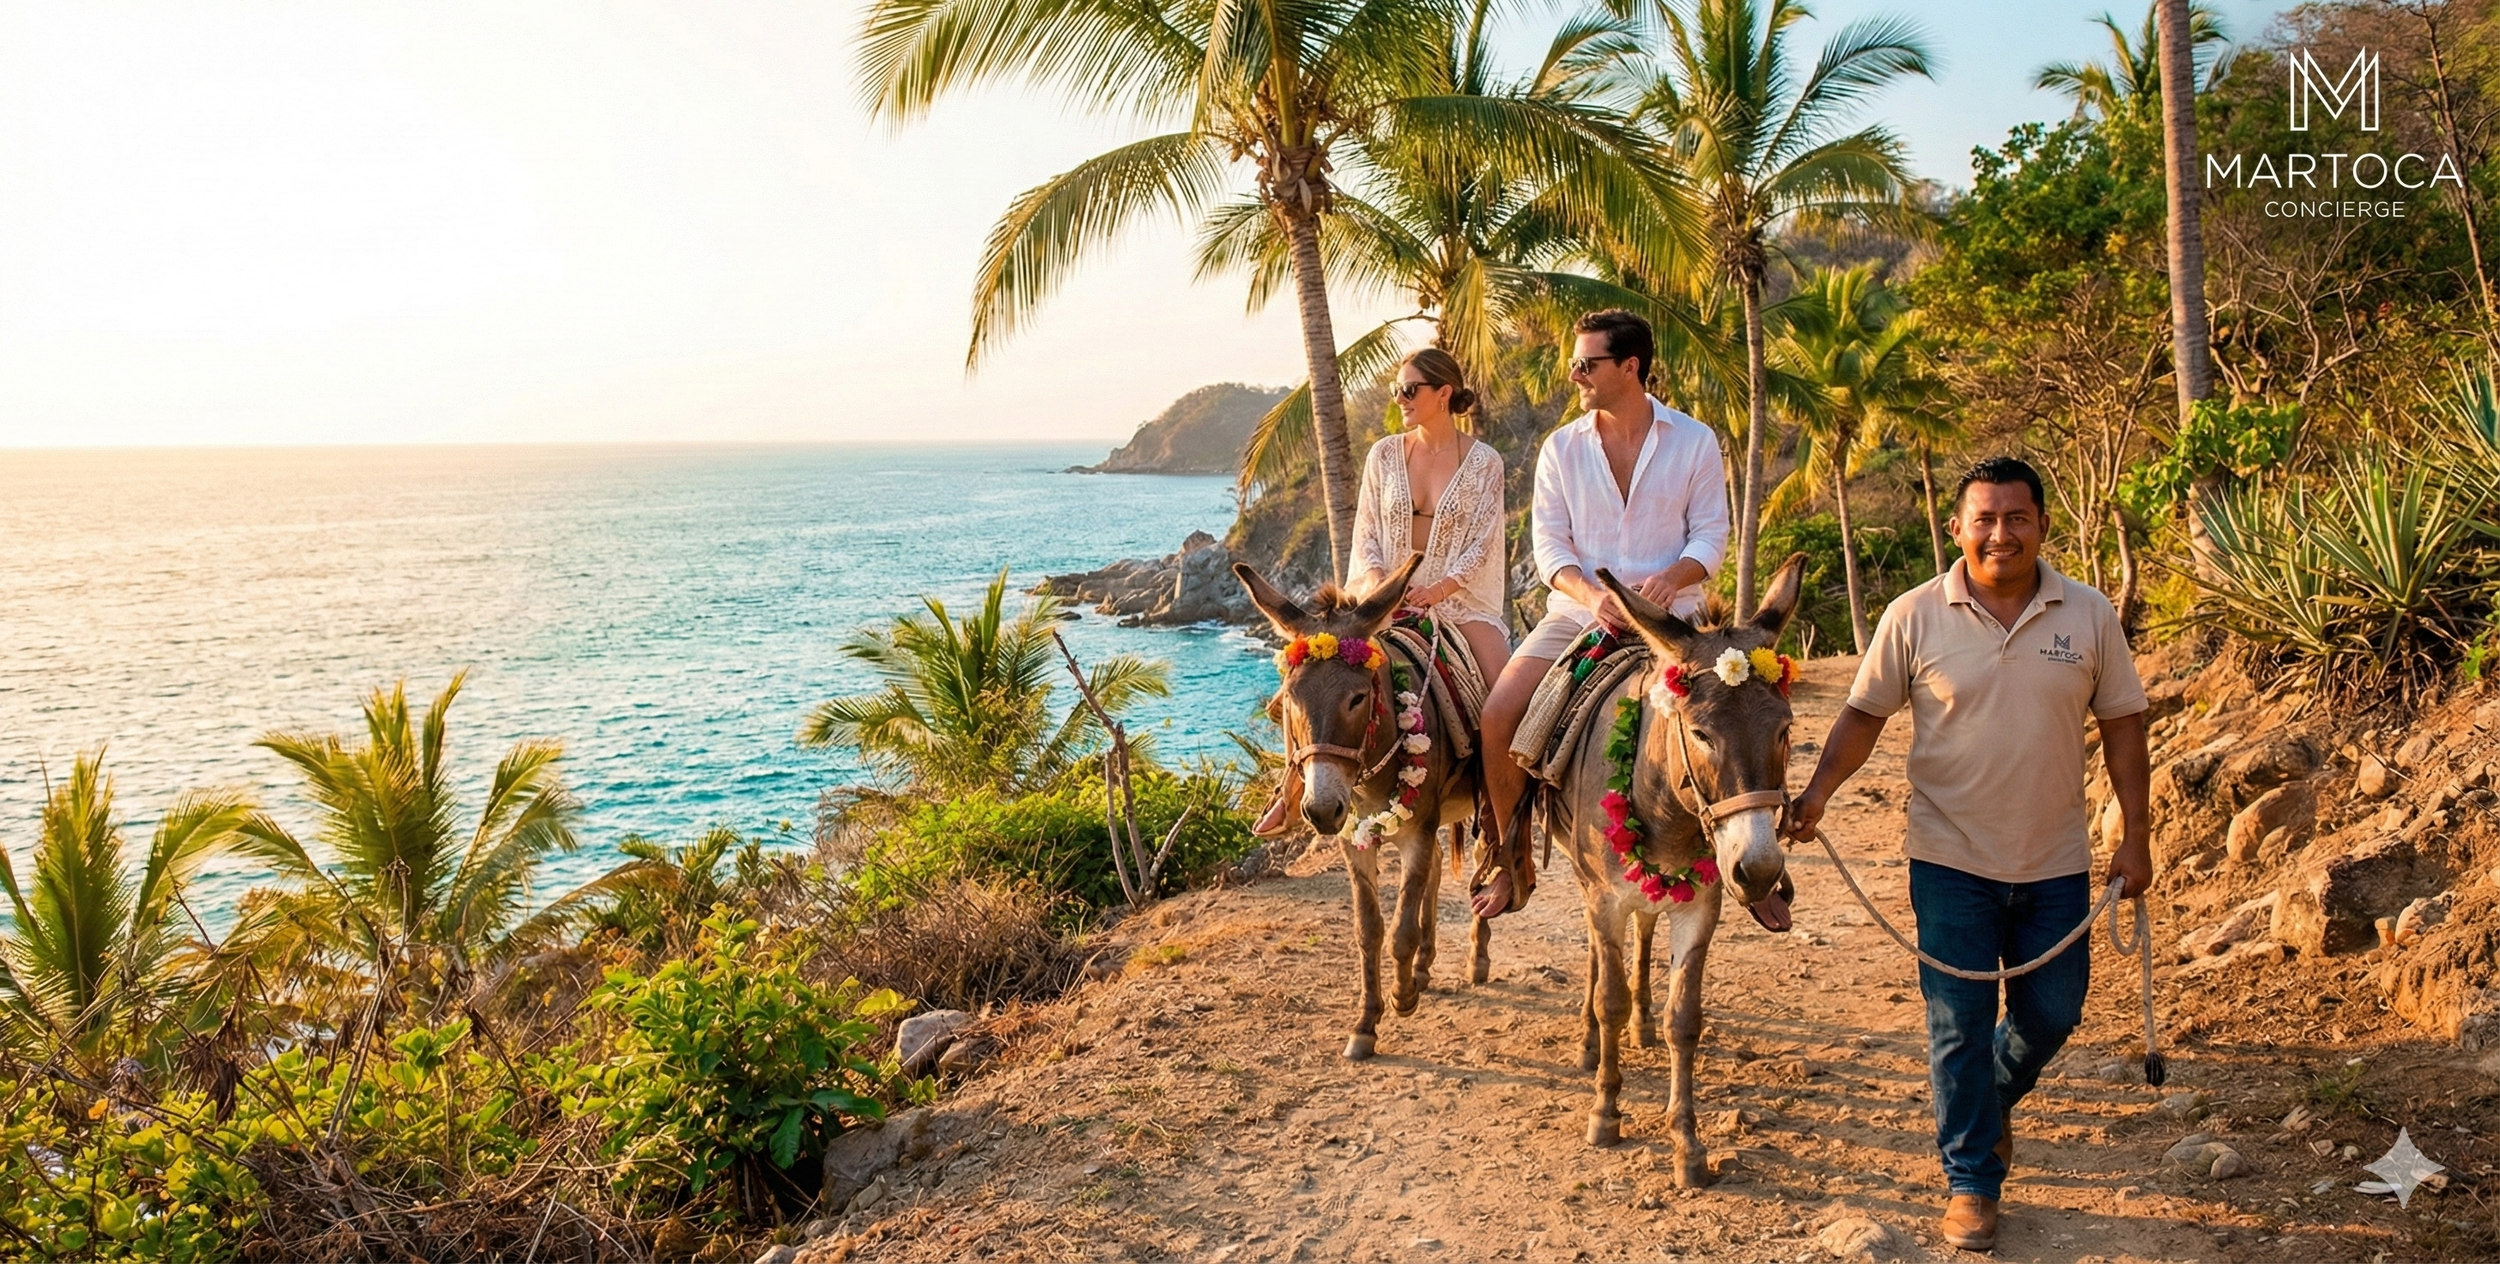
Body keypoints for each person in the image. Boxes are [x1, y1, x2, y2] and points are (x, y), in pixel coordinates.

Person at [1780, 456, 2153, 1253]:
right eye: (1983, 518)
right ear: (1956, 528)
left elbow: (2124, 724)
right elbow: (1861, 718)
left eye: (2017, 517)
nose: (2000, 533)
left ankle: (1985, 1100)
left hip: (2056, 859)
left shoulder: (2088, 615)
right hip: (1947, 858)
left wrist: (2137, 833)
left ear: (2043, 525)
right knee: (1958, 1022)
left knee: (2053, 1014)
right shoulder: (1913, 616)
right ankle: (1972, 1183)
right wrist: (1816, 795)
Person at [1469, 309, 1731, 917]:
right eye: (1573, 363)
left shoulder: (1694, 440)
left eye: (1586, 364)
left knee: (1745, 716)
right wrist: (1594, 598)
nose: (1574, 375)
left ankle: (1761, 873)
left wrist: (1669, 579)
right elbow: (1550, 548)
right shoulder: (1561, 447)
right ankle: (1510, 860)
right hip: (1577, 616)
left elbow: (1710, 537)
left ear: (1630, 367)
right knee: (1499, 715)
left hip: (1676, 623)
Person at [1252, 348, 1509, 836]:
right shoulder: (1384, 454)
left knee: (1503, 700)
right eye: (1397, 389)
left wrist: (1438, 589)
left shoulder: (1484, 463)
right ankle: (1289, 792)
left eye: (1410, 389)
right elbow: (1366, 531)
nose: (1401, 398)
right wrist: (1375, 585)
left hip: (1458, 602)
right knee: (1307, 682)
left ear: (1443, 394)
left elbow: (1482, 541)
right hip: (1379, 603)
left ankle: (1499, 822)